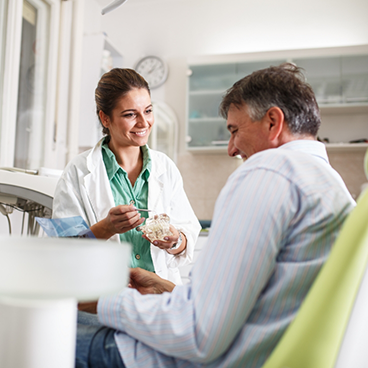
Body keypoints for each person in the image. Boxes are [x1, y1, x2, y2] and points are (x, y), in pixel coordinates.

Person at [75, 63, 356, 368]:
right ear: (106, 119)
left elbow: (198, 333)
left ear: (273, 122)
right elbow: (250, 304)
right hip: (232, 343)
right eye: (130, 114)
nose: (231, 148)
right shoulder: (330, 185)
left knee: (41, 332)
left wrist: (106, 301)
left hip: (175, 356)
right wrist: (166, 287)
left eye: (235, 130)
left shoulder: (268, 172)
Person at [52, 68, 201, 285]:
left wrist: (175, 239)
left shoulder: (165, 168)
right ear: (105, 118)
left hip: (158, 302)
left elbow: (188, 235)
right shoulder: (77, 172)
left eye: (148, 111)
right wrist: (106, 227)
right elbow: (61, 250)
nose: (143, 123)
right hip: (102, 301)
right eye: (130, 114)